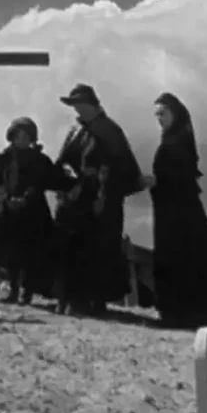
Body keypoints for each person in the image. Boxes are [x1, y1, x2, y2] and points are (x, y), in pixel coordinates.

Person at [147, 92, 207, 331]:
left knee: (189, 257)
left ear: (175, 113)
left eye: (164, 113)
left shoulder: (178, 141)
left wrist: (154, 182)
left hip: (180, 211)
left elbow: (178, 175)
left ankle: (191, 313)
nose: (160, 118)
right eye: (157, 114)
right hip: (172, 209)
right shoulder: (174, 138)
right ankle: (182, 312)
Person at [53, 83, 145, 316]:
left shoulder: (109, 130)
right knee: (73, 248)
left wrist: (104, 191)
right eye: (74, 105)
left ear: (90, 104)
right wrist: (66, 181)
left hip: (103, 200)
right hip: (76, 200)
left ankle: (98, 301)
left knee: (101, 249)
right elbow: (63, 160)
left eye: (79, 104)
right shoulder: (75, 131)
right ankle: (71, 299)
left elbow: (124, 168)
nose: (76, 109)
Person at [0, 116, 71, 305]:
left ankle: (27, 292)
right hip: (9, 213)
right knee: (11, 255)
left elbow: (45, 181)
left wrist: (26, 199)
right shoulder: (3, 160)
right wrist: (6, 199)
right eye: (18, 135)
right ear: (12, 137)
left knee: (32, 256)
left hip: (33, 214)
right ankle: (14, 291)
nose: (22, 139)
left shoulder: (40, 161)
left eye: (26, 136)